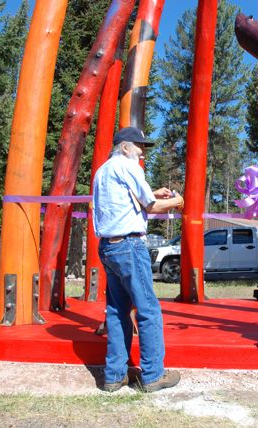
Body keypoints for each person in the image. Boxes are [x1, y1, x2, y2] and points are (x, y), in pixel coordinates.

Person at [92, 126, 184, 393]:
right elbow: (151, 208)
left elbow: (126, 201)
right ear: (124, 147)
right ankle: (153, 375)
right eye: (139, 146)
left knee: (117, 310)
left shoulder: (103, 171)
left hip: (108, 247)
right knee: (148, 310)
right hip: (130, 245)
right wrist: (177, 201)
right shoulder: (129, 166)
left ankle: (114, 376)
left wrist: (152, 193)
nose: (142, 153)